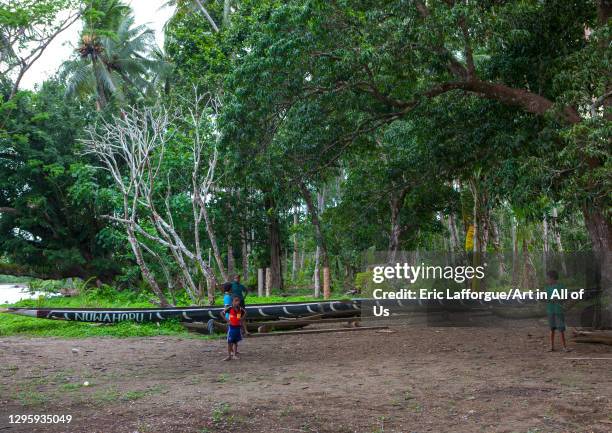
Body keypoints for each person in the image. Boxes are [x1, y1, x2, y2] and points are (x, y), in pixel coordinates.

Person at [545, 270, 569, 352]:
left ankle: (564, 347)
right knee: (552, 329)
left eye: (548, 278)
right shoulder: (547, 288)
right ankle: (551, 346)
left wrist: (558, 298)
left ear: (552, 278)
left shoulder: (561, 286)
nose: (547, 280)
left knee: (561, 329)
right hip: (550, 310)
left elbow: (565, 297)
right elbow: (546, 298)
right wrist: (550, 299)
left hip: (559, 310)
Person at [222, 295, 246, 361]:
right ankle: (229, 356)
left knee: (235, 342)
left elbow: (245, 313)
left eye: (238, 300)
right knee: (229, 342)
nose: (237, 302)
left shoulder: (240, 309)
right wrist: (227, 320)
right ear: (232, 301)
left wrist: (241, 319)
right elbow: (222, 313)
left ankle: (234, 355)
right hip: (232, 327)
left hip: (237, 327)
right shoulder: (230, 308)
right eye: (236, 300)